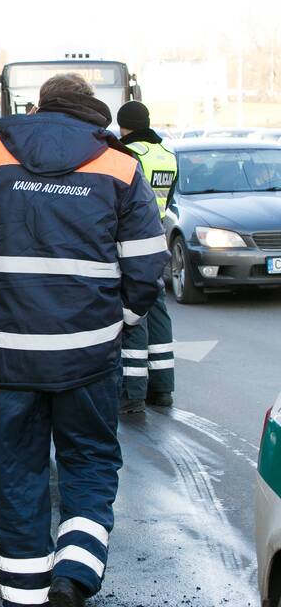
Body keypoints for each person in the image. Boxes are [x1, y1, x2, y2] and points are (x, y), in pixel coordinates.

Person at [0, 73, 167, 607]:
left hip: (10, 349)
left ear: (39, 105)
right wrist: (125, 316)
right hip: (87, 350)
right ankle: (73, 574)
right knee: (89, 461)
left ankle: (24, 595)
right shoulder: (118, 163)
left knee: (19, 468)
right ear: (92, 109)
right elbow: (146, 262)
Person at [116, 101, 176, 412]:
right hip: (159, 240)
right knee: (158, 311)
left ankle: (133, 393)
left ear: (122, 124)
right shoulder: (167, 155)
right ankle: (163, 389)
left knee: (133, 311)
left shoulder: (128, 155)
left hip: (132, 242)